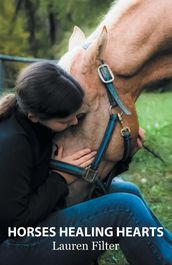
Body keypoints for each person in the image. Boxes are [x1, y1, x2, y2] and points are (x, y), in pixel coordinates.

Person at [0, 62, 171, 265]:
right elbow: (16, 222)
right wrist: (60, 179)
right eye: (66, 120)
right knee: (125, 208)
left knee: (127, 191)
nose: (73, 123)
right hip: (14, 246)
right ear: (34, 116)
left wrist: (127, 154)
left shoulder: (38, 124)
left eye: (77, 116)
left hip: (40, 216)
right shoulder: (12, 143)